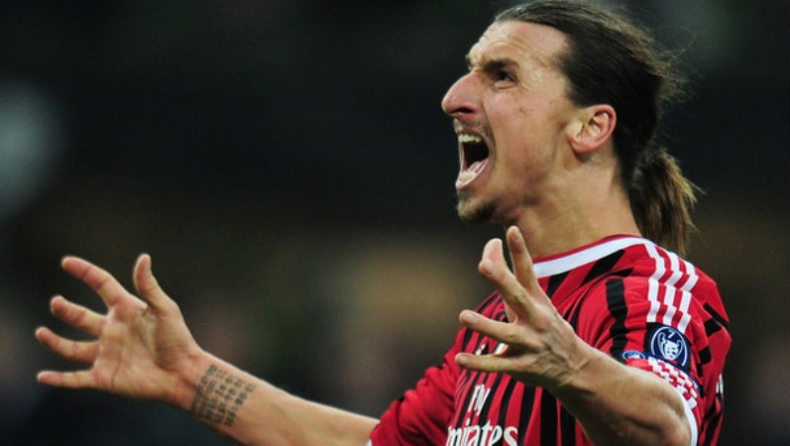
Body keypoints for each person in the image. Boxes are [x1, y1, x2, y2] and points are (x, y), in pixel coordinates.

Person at [35, 1, 731, 445]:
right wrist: (193, 378)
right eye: (468, 73)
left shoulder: (648, 288)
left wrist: (570, 365)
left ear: (590, 126)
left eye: (502, 75)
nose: (454, 98)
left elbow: (668, 428)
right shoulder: (501, 326)